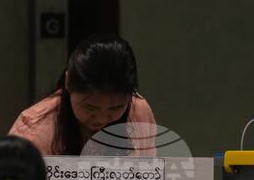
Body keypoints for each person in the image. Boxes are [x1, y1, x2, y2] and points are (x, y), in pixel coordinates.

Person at [10, 33, 157, 155]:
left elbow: (149, 177)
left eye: (115, 108)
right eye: (90, 107)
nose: (101, 118)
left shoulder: (138, 111)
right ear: (68, 82)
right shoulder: (34, 128)